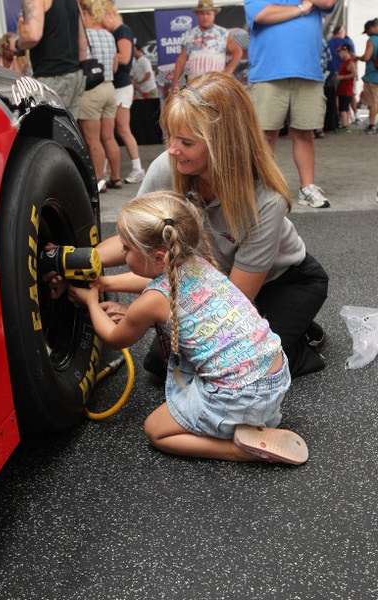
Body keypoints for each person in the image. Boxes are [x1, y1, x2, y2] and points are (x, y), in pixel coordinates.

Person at [95, 72, 329, 381]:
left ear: (224, 145)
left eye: (186, 141)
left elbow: (227, 300)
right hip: (209, 276)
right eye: (170, 136)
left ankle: (297, 338)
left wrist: (152, 315)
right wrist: (84, 264)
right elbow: (131, 241)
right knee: (159, 365)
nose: (172, 149)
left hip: (283, 281)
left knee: (247, 365)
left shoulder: (265, 201)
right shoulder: (169, 167)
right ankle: (275, 323)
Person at [68, 190, 309, 465]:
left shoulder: (151, 303)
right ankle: (250, 420)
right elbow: (158, 285)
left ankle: (239, 449)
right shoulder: (197, 263)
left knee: (156, 431)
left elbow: (114, 338)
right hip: (273, 375)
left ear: (159, 257)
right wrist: (105, 283)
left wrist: (90, 302)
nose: (122, 253)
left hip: (241, 395)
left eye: (126, 249)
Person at [244, 0, 335, 209]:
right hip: (268, 72)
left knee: (305, 133)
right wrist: (303, 8)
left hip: (308, 70)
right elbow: (262, 15)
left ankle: (307, 187)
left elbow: (328, 1)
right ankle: (260, 189)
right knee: (264, 136)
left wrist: (289, 10)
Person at [9, 0, 87, 120]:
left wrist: (16, 45)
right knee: (67, 133)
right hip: (75, 74)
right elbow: (82, 40)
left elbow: (33, 36)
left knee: (48, 132)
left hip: (52, 77)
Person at [77, 0, 120, 193]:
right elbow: (114, 66)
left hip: (91, 90)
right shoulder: (109, 35)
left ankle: (99, 180)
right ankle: (116, 177)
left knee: (92, 139)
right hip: (110, 87)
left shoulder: (84, 35)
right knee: (109, 137)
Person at [102, 3, 146, 185]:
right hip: (115, 86)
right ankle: (105, 171)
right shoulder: (115, 32)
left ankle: (137, 169)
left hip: (121, 86)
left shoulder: (122, 30)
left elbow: (125, 57)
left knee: (122, 129)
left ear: (110, 15)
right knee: (108, 132)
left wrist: (103, 53)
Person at [171, 0, 242, 91]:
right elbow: (181, 60)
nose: (205, 17)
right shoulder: (189, 35)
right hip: (194, 85)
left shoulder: (223, 33)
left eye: (208, 13)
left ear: (214, 14)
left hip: (216, 86)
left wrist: (227, 73)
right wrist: (174, 86)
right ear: (197, 14)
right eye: (202, 13)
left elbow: (238, 51)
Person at [355, 18, 378, 135]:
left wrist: (357, 58)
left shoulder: (372, 40)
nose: (367, 34)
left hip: (372, 76)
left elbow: (366, 57)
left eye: (367, 31)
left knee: (373, 102)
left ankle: (372, 125)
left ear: (371, 28)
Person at [334, 43, 357, 134]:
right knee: (345, 107)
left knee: (343, 108)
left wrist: (342, 77)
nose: (339, 54)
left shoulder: (350, 62)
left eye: (341, 52)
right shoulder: (345, 62)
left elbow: (354, 74)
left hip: (346, 88)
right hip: (343, 88)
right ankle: (346, 124)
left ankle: (345, 126)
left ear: (346, 51)